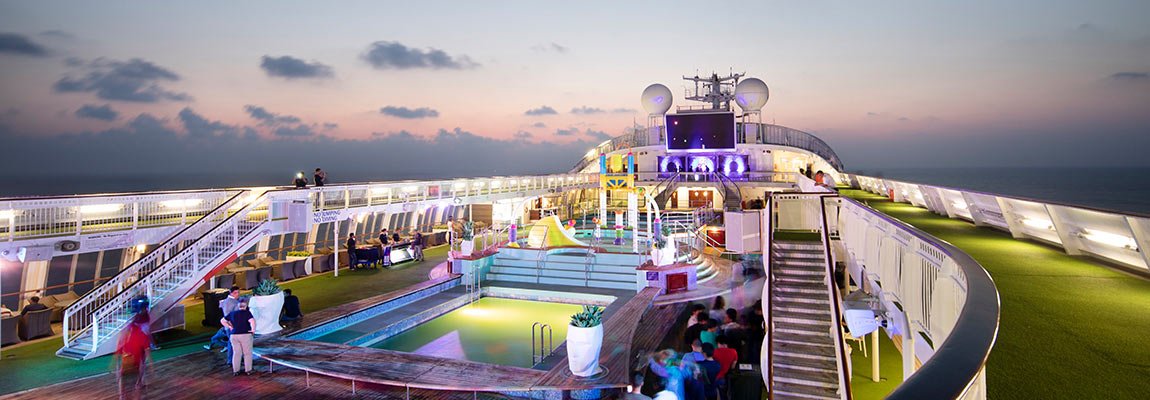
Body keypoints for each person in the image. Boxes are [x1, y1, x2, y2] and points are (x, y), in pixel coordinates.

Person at [116, 311, 152, 400]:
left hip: (128, 353)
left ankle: (123, 394)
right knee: (137, 369)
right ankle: (137, 384)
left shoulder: (130, 328)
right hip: (133, 354)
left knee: (123, 376)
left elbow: (121, 340)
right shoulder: (141, 331)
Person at [221, 298, 256, 376]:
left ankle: (236, 370)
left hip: (234, 335)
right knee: (247, 353)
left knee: (236, 353)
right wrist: (253, 330)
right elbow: (252, 321)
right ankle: (248, 370)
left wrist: (230, 327)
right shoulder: (247, 313)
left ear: (238, 306)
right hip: (245, 335)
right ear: (246, 306)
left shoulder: (232, 313)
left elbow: (222, 320)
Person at [205, 286, 241, 358]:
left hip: (227, 327)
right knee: (228, 342)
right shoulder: (232, 302)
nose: (238, 294)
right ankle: (230, 354)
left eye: (238, 292)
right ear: (232, 293)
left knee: (226, 341)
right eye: (236, 293)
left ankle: (230, 357)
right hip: (228, 327)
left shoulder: (228, 301)